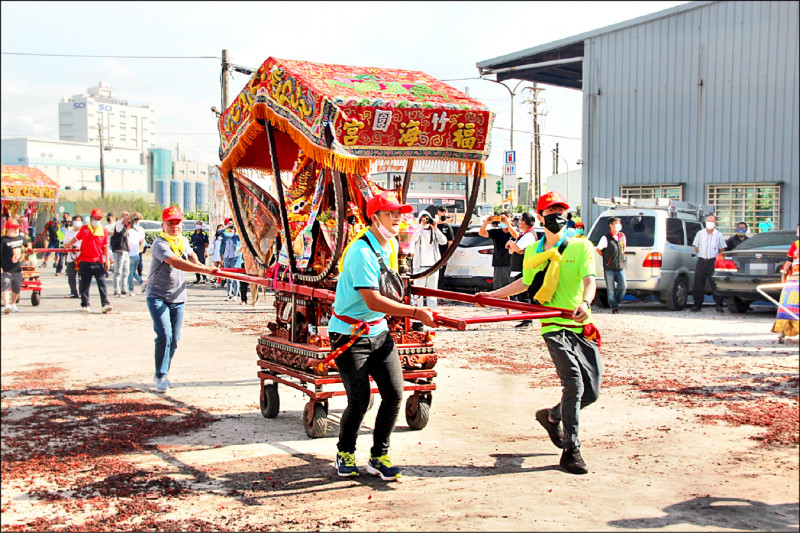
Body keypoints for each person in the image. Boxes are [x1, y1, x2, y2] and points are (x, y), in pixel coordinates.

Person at [476, 191, 600, 475]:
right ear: (541, 216)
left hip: (581, 325)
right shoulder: (533, 251)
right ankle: (572, 449)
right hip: (553, 326)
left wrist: (586, 302)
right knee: (574, 385)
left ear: (566, 216)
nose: (557, 215)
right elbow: (524, 283)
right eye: (551, 211)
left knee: (591, 392)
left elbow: (590, 281)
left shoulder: (582, 247)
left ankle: (553, 416)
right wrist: (492, 295)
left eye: (561, 211)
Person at [329, 191, 437, 480]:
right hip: (349, 334)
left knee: (394, 394)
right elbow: (373, 300)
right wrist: (415, 313)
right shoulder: (361, 251)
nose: (398, 220)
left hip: (378, 330)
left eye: (400, 215)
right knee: (360, 399)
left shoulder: (387, 245)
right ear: (374, 217)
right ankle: (345, 452)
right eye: (391, 214)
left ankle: (379, 456)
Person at [146, 206, 218, 392]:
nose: (175, 226)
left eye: (177, 222)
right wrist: (202, 270)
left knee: (175, 339)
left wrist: (201, 265)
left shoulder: (182, 241)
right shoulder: (160, 244)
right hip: (158, 296)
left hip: (178, 296)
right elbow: (177, 262)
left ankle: (164, 372)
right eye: (170, 223)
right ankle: (160, 375)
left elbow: (191, 255)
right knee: (165, 335)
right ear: (163, 225)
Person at [63, 208, 113, 314]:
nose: (97, 220)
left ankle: (105, 304)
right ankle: (85, 304)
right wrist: (67, 245)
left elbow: (105, 247)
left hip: (98, 261)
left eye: (99, 218)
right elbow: (76, 238)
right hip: (85, 261)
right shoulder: (84, 229)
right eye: (95, 218)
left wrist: (107, 260)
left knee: (102, 284)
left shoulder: (103, 230)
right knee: (84, 285)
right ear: (91, 218)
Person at [506, 211, 539, 330]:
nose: (518, 222)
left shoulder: (530, 235)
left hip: (524, 269)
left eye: (520, 220)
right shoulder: (523, 235)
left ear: (525, 222)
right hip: (518, 268)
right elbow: (512, 250)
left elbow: (517, 247)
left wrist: (511, 243)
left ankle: (528, 320)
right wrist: (514, 247)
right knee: (521, 297)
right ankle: (525, 318)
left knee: (525, 296)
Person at [691, 214, 727, 313]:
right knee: (698, 283)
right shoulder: (700, 233)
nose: (710, 223)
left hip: (713, 261)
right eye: (708, 221)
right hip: (702, 260)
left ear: (715, 223)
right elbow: (696, 247)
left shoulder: (718, 234)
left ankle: (719, 305)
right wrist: (702, 254)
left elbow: (722, 248)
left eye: (712, 221)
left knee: (715, 283)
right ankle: (697, 305)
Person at [411, 211, 447, 309]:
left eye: (427, 218)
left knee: (432, 293)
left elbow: (443, 241)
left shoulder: (433, 231)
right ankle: (418, 314)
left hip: (433, 266)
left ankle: (432, 313)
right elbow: (412, 240)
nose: (425, 220)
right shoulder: (417, 231)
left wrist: (435, 229)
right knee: (418, 294)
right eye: (423, 217)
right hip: (419, 266)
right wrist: (419, 226)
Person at [478, 210, 519, 293]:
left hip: (512, 265)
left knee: (512, 291)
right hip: (499, 264)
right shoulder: (497, 232)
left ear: (511, 219)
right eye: (501, 219)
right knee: (499, 290)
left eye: (505, 218)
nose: (502, 221)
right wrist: (486, 222)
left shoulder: (514, 231)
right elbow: (482, 233)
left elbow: (516, 236)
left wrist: (508, 224)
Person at [773, 224, 799, 342]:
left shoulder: (796, 244)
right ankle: (784, 329)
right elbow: (789, 260)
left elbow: (789, 261)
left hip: (794, 279)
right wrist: (784, 274)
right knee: (789, 303)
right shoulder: (796, 245)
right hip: (794, 278)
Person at [595, 217, 628, 314]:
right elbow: (598, 249)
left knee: (623, 287)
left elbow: (623, 248)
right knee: (611, 289)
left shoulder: (622, 236)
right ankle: (614, 307)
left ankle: (615, 301)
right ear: (611, 225)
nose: (618, 225)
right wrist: (607, 258)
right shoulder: (605, 238)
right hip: (609, 268)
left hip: (620, 267)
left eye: (619, 223)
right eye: (616, 223)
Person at [1, 218, 33, 314]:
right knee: (5, 285)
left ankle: (13, 304)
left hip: (18, 268)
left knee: (17, 287)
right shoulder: (3, 240)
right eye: (13, 228)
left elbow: (28, 242)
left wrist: (29, 247)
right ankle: (6, 305)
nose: (16, 230)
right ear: (8, 229)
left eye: (17, 228)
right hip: (6, 269)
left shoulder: (20, 238)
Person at [110, 211, 140, 296]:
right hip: (119, 251)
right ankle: (117, 290)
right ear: (122, 216)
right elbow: (125, 220)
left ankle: (124, 289)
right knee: (118, 271)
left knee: (126, 271)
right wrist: (134, 214)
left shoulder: (127, 227)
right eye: (127, 215)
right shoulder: (119, 224)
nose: (128, 217)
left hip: (126, 251)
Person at [62, 215, 83, 299]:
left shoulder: (84, 232)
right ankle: (73, 292)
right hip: (71, 257)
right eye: (75, 220)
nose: (77, 222)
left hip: (81, 258)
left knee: (82, 276)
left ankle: (82, 292)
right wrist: (69, 246)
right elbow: (64, 245)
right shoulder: (68, 232)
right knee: (71, 276)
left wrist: (79, 248)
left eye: (79, 220)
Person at [435, 206, 454, 290]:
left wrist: (447, 256)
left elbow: (450, 243)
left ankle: (439, 293)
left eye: (444, 212)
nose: (443, 214)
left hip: (443, 255)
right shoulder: (434, 225)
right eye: (441, 212)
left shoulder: (448, 227)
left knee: (440, 275)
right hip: (434, 254)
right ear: (437, 213)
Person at [127, 217, 146, 295]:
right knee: (133, 272)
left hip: (130, 255)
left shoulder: (127, 233)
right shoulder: (135, 232)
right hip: (136, 255)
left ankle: (131, 289)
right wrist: (140, 248)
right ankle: (142, 282)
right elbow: (143, 240)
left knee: (130, 273)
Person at [222, 223, 241, 300]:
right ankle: (229, 294)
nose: (230, 232)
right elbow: (220, 232)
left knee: (236, 278)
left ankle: (236, 294)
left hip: (234, 258)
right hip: (227, 258)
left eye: (231, 231)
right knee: (228, 278)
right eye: (228, 231)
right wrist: (225, 227)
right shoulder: (226, 237)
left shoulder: (237, 237)